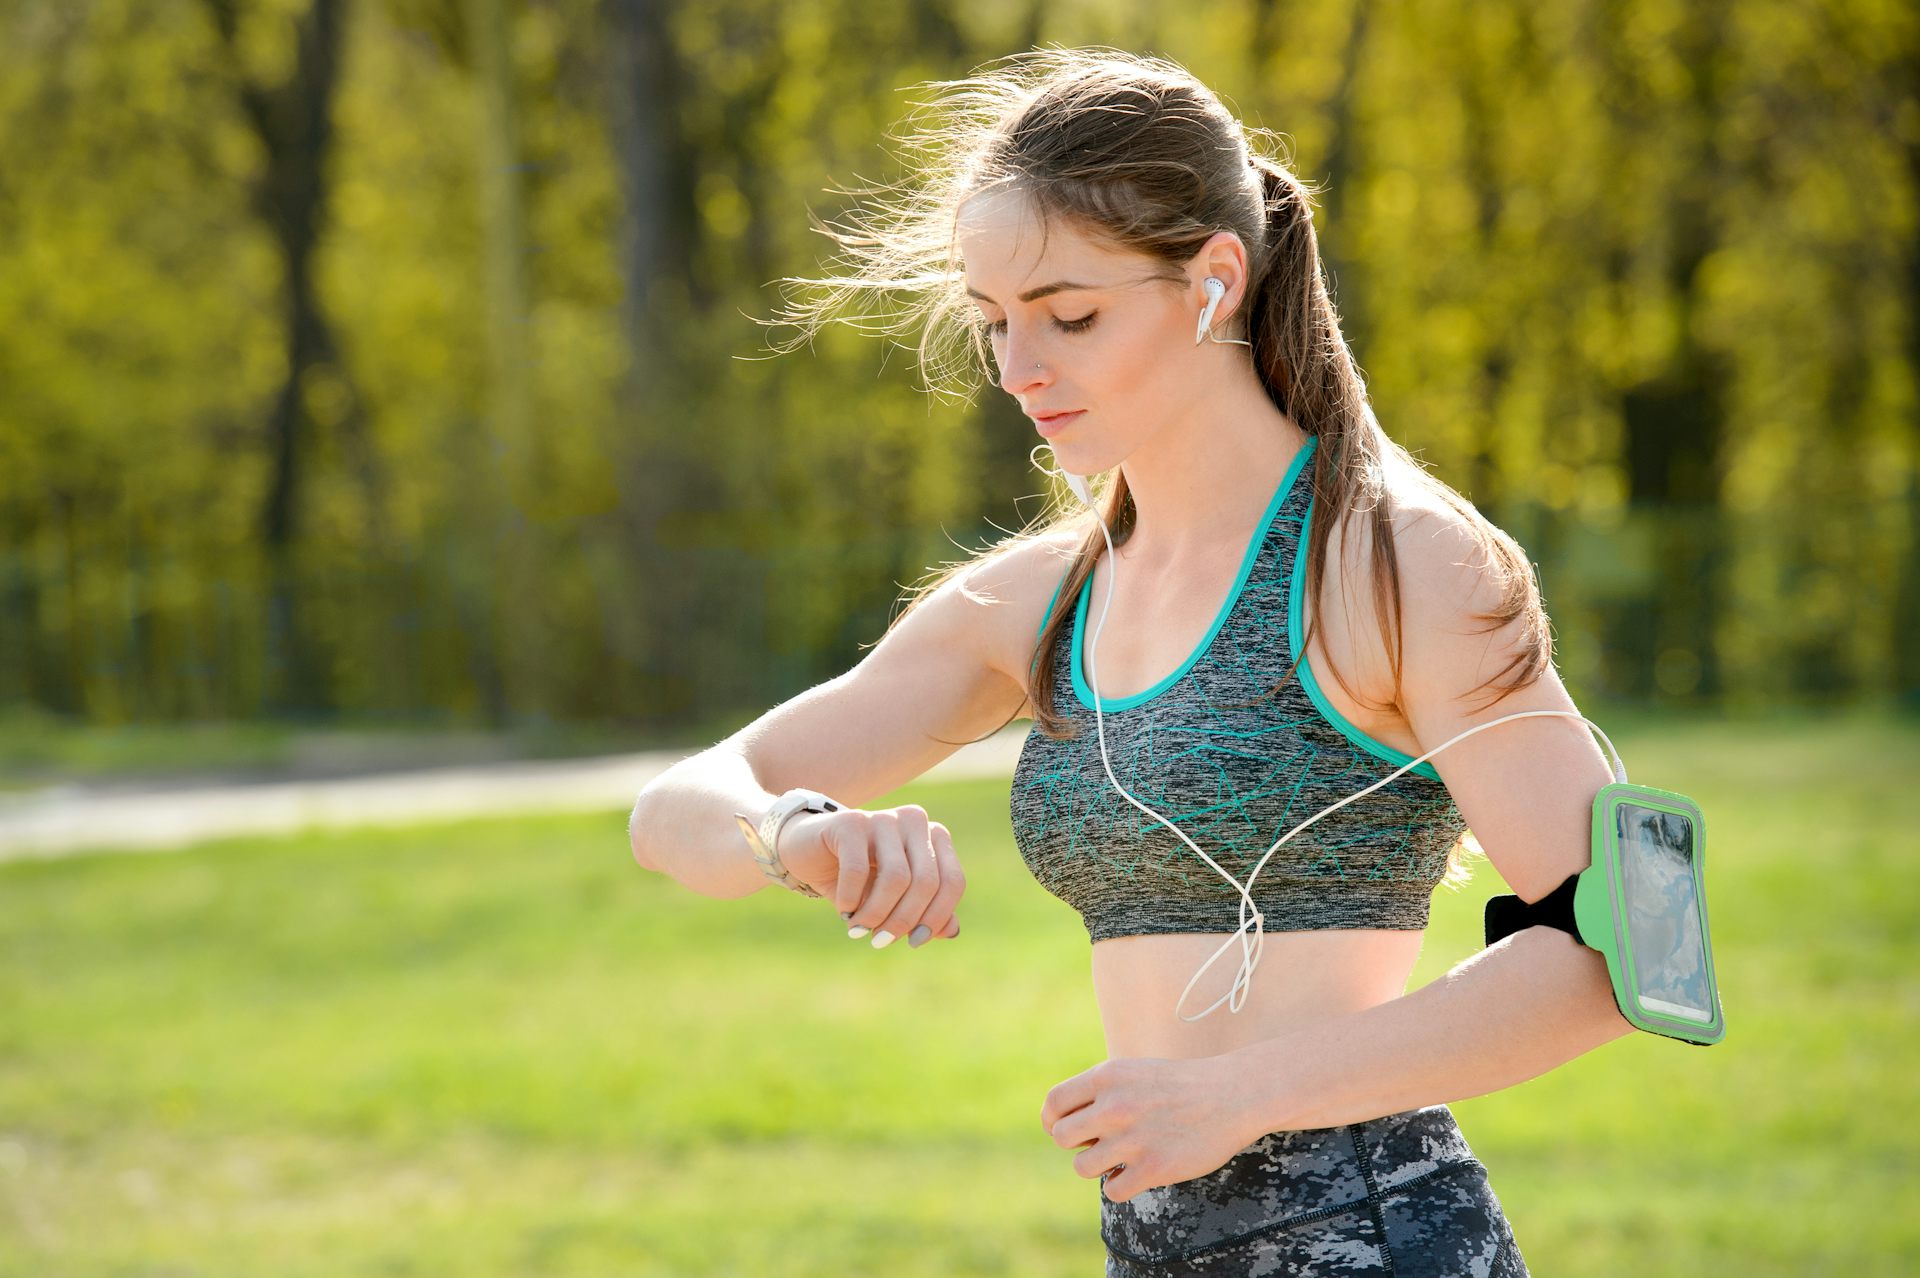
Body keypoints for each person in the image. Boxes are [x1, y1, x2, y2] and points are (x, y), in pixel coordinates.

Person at [630, 45, 1635, 1278]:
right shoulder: (1039, 601)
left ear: (1214, 280)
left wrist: (1242, 1095)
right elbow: (674, 809)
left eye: (1071, 316)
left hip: (1379, 1239)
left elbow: (1620, 954)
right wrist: (796, 834)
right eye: (994, 322)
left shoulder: (1396, 563)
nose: (1019, 369)